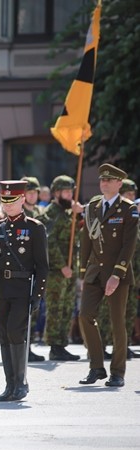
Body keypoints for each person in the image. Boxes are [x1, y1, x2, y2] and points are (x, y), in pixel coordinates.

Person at [0, 181, 48, 401]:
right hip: (2, 289)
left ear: (22, 200)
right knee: (2, 332)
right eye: (5, 201)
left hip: (23, 288)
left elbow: (42, 265)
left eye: (12, 201)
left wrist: (38, 295)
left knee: (16, 331)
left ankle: (21, 383)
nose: (8, 206)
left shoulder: (35, 227)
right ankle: (10, 385)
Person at [78, 163, 138, 388]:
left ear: (119, 184)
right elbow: (85, 242)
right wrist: (82, 273)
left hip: (117, 273)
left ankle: (117, 372)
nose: (104, 183)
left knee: (117, 323)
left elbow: (128, 245)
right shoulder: (93, 206)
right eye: (102, 180)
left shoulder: (128, 209)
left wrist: (117, 274)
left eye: (109, 180)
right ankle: (96, 366)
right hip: (94, 271)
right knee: (85, 315)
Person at [37, 176, 82, 361]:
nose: (70, 195)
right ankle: (54, 345)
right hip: (57, 270)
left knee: (67, 307)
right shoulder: (51, 213)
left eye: (71, 192)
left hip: (71, 268)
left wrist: (78, 215)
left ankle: (62, 343)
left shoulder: (69, 212)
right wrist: (62, 265)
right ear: (56, 193)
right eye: (66, 192)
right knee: (56, 308)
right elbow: (49, 241)